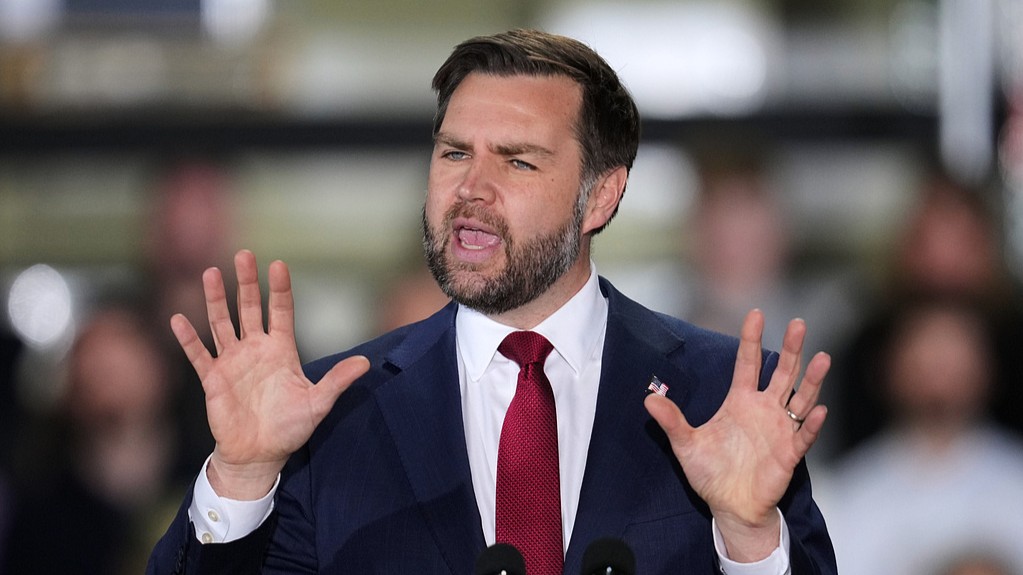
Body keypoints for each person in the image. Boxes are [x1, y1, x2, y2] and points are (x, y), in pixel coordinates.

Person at [147, 29, 835, 574]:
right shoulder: (332, 416)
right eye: (454, 153)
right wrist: (240, 477)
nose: (471, 188)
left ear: (600, 196)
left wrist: (748, 538)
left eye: (517, 160)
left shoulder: (720, 394)